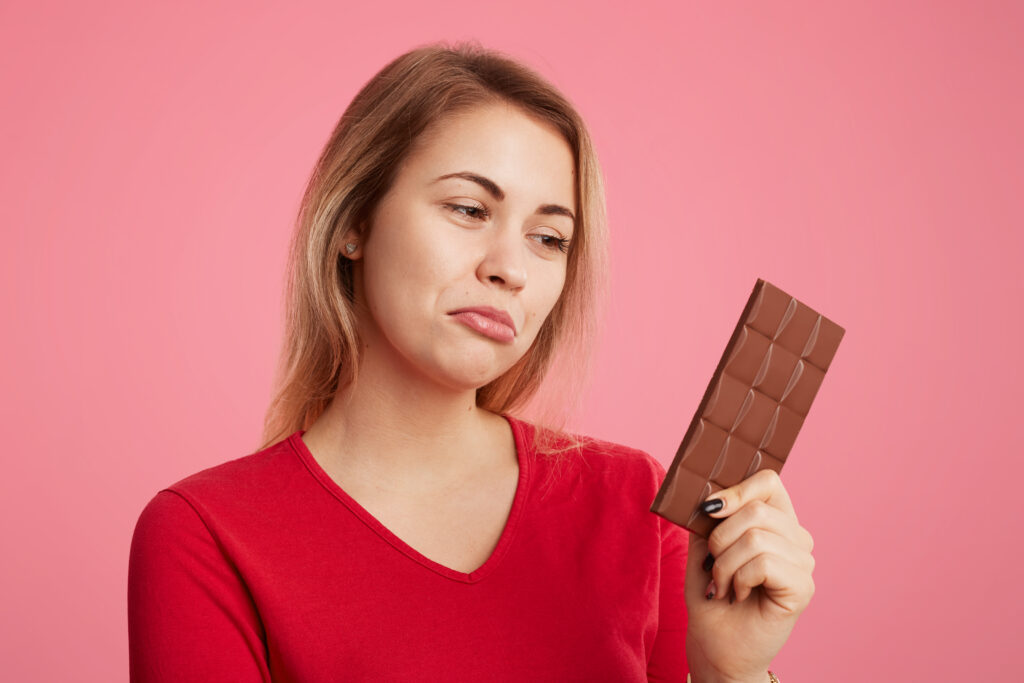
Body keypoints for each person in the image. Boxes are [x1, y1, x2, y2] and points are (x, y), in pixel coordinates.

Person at [127, 41, 815, 683]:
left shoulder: (634, 504)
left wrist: (733, 670)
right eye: (466, 208)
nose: (510, 268)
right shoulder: (205, 535)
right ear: (352, 223)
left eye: (548, 238)